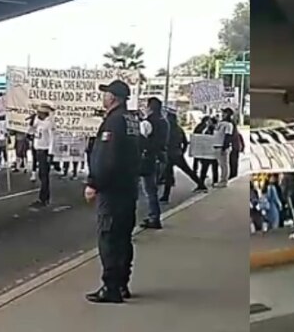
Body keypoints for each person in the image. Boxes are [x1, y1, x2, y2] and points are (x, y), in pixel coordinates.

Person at [84, 80, 142, 304]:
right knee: (123, 238)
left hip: (113, 190)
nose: (103, 97)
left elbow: (107, 157)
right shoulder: (131, 120)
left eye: (106, 93)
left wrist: (94, 183)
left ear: (114, 98)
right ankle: (121, 282)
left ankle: (111, 287)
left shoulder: (114, 122)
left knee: (109, 238)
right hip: (128, 187)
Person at [161, 110, 207, 202]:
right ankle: (201, 184)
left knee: (168, 175)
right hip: (178, 153)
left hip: (169, 154)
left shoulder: (166, 129)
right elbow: (185, 142)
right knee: (188, 171)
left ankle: (166, 196)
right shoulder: (179, 129)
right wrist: (182, 151)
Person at [139, 97, 169, 230]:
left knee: (149, 190)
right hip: (162, 156)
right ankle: (154, 216)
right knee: (154, 189)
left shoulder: (148, 122)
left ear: (149, 107)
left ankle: (154, 217)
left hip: (149, 158)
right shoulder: (164, 121)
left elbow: (142, 139)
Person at [30, 103, 55, 208]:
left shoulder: (49, 123)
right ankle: (44, 197)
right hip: (38, 149)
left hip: (44, 151)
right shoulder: (37, 121)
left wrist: (50, 153)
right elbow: (31, 129)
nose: (38, 114)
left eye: (39, 112)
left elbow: (52, 139)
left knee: (44, 175)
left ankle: (44, 198)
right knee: (41, 174)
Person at [214, 108, 235, 187]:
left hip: (222, 147)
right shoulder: (221, 123)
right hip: (217, 145)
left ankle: (224, 181)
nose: (223, 114)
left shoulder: (229, 125)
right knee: (221, 165)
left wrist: (224, 147)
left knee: (224, 165)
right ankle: (222, 180)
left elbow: (228, 136)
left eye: (225, 113)